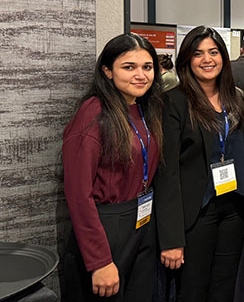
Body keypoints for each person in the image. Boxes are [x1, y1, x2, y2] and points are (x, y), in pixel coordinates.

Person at [62, 33, 163, 302]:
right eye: (129, 67)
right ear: (107, 71)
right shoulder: (93, 113)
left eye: (147, 67)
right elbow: (78, 193)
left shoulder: (145, 109)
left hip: (142, 221)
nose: (141, 75)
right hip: (106, 228)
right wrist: (98, 261)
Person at [154, 25, 244, 302]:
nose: (207, 59)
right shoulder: (174, 102)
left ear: (223, 56)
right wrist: (171, 239)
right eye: (198, 54)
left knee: (224, 287)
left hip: (233, 208)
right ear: (186, 59)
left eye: (213, 52)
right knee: (193, 290)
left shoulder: (236, 98)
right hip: (196, 213)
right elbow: (167, 172)